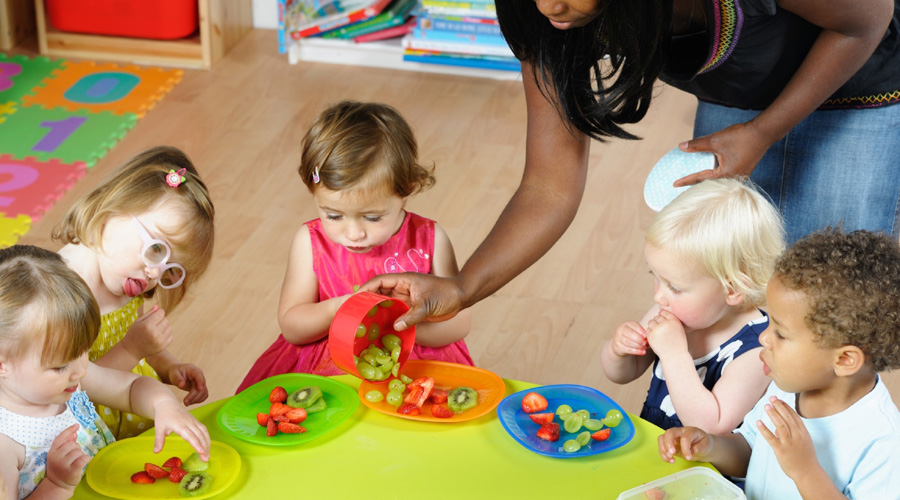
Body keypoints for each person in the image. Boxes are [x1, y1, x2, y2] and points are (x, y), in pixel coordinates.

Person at [360, 0, 900, 331]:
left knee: (825, 313)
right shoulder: (549, 14)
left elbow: (866, 18)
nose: (549, 6)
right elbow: (550, 185)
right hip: (743, 94)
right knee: (734, 302)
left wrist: (762, 132)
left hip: (863, 76)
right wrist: (462, 287)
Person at [236, 101, 473, 392]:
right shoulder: (310, 242)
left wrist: (402, 327)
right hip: (328, 368)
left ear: (407, 189)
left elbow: (460, 322)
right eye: (333, 215)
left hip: (414, 363)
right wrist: (341, 309)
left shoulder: (431, 238)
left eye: (372, 217)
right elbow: (292, 326)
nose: (353, 233)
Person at [658, 228, 900, 499]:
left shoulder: (882, 441)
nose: (763, 337)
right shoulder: (786, 389)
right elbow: (751, 449)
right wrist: (710, 446)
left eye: (781, 333)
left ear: (844, 359)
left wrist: (805, 471)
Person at [0, 245, 210, 500]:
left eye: (83, 350)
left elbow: (131, 389)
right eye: (60, 366)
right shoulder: (6, 445)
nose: (79, 370)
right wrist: (56, 485)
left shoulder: (72, 382)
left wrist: (163, 405)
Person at [52, 146, 215, 440]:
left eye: (169, 272)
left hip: (133, 404)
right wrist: (131, 349)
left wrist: (169, 367)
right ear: (112, 209)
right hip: (81, 426)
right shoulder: (62, 292)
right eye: (155, 250)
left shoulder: (126, 276)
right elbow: (72, 384)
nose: (154, 275)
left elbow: (139, 342)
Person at [600, 178, 783, 433]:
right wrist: (618, 351)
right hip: (659, 446)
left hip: (705, 464)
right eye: (655, 277)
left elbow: (710, 426)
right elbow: (622, 374)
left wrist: (674, 355)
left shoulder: (758, 348)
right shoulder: (670, 311)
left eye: (674, 287)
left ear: (732, 289)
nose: (659, 297)